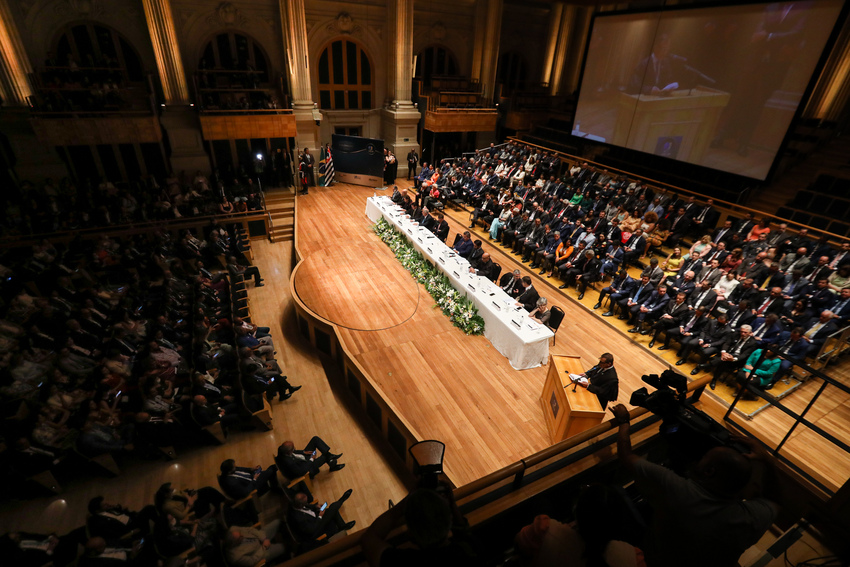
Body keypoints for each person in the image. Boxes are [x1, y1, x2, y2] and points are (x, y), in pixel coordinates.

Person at [610, 404, 778, 567]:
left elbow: (626, 456)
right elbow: (775, 500)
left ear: (709, 472)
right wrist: (767, 459)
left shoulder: (675, 488)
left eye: (705, 456)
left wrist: (624, 421)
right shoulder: (751, 520)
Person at [362, 487, 477, 567]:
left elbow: (369, 538)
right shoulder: (469, 551)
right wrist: (451, 503)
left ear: (411, 535)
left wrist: (404, 503)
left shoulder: (402, 562)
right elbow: (464, 532)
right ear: (449, 520)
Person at [288, 490, 356, 542]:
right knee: (332, 508)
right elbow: (311, 530)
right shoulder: (299, 519)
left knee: (332, 510)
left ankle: (342, 526)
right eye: (305, 502)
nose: (307, 503)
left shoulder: (295, 504)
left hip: (314, 517)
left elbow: (306, 505)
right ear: (300, 505)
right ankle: (342, 500)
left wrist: (315, 506)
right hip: (316, 529)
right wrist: (320, 516)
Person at [277, 437, 345, 479]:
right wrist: (311, 459)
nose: (294, 449)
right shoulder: (290, 463)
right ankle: (332, 463)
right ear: (288, 452)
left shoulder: (281, 449)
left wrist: (304, 452)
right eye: (293, 449)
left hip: (302, 460)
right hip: (307, 467)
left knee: (315, 439)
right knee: (325, 457)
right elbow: (302, 471)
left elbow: (295, 452)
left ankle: (330, 457)